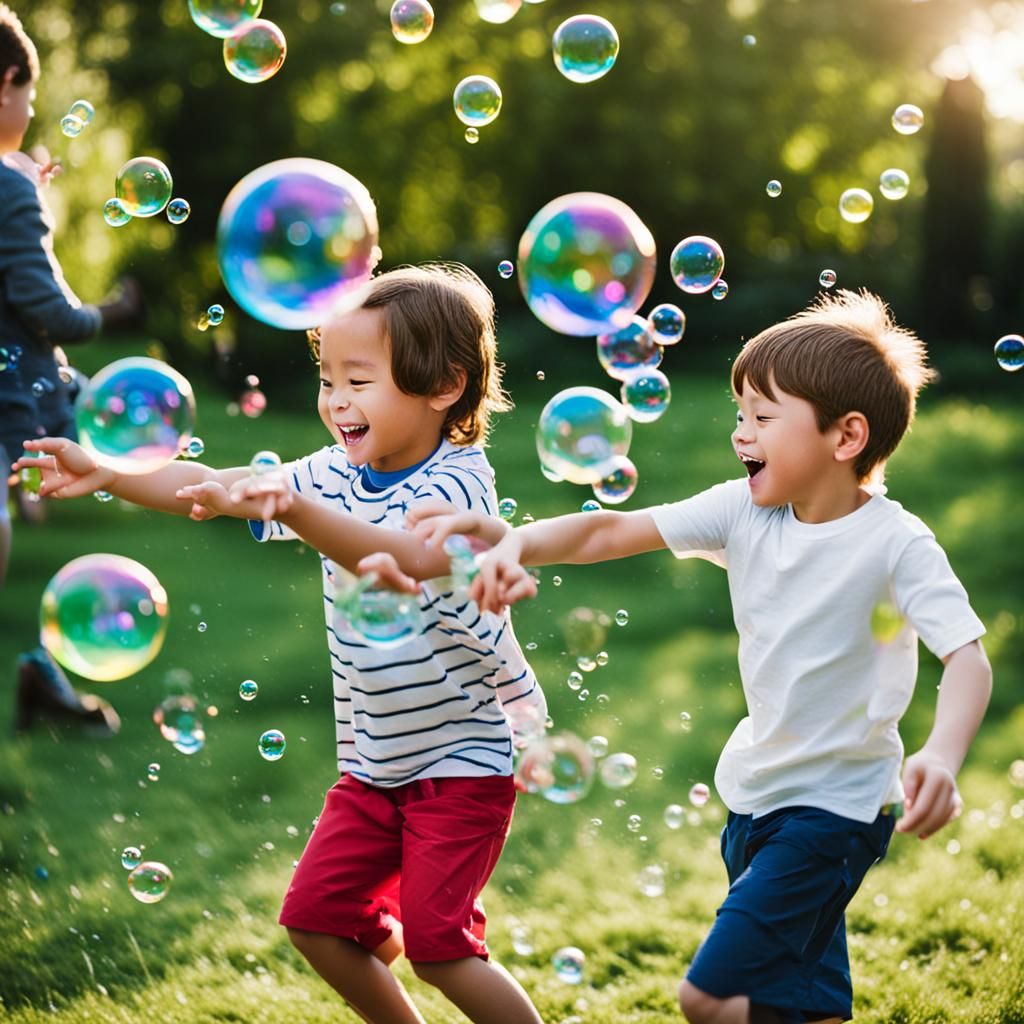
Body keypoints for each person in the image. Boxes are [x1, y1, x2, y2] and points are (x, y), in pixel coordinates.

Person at [404, 289, 993, 1024]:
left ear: (845, 437)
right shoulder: (747, 511)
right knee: (802, 1003)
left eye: (762, 418)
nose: (740, 434)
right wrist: (511, 537)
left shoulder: (896, 545)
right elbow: (608, 532)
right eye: (739, 414)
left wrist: (940, 754)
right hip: (756, 796)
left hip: (835, 810)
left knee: (710, 997)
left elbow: (967, 657)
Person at [16, 264, 548, 1024]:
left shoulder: (458, 486)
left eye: (359, 380)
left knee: (439, 948)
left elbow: (399, 557)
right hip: (375, 764)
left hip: (463, 763)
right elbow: (207, 483)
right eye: (327, 377)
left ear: (444, 386)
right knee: (316, 922)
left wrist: (296, 509)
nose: (335, 400)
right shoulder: (330, 474)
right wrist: (106, 471)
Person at [1, 2, 138, 737]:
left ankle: (37, 677)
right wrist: (109, 313)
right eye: (27, 92)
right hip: (16, 395)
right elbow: (46, 309)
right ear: (6, 84)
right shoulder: (9, 185)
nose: (29, 107)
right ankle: (40, 674)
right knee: (129, 447)